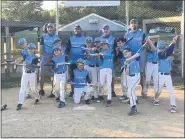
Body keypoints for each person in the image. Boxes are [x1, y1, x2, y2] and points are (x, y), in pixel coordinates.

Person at [154, 36, 178, 113]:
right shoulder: (159, 54)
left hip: (168, 76)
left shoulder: (168, 54)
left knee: (171, 91)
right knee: (159, 90)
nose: (161, 49)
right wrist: (172, 43)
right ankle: (156, 98)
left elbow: (169, 51)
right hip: (160, 75)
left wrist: (173, 42)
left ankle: (173, 105)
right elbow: (164, 53)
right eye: (160, 48)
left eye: (162, 48)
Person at [124, 19, 147, 98]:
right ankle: (130, 92)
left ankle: (143, 91)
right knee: (129, 73)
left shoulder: (142, 33)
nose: (133, 24)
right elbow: (125, 46)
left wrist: (144, 45)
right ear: (130, 24)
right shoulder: (127, 34)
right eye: (132, 23)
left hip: (139, 56)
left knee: (141, 73)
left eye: (135, 23)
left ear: (137, 24)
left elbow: (146, 43)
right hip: (130, 56)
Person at [16, 43, 40, 110]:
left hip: (32, 74)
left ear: (34, 49)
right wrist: (15, 62)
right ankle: (20, 103)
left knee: (33, 89)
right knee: (22, 88)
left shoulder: (35, 58)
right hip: (25, 74)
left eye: (32, 49)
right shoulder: (25, 55)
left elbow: (31, 67)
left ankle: (37, 97)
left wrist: (25, 65)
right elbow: (20, 58)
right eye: (29, 48)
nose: (30, 50)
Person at [39, 23, 60, 97]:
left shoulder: (57, 37)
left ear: (54, 28)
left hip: (54, 59)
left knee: (53, 76)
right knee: (42, 75)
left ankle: (52, 91)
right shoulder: (43, 37)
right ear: (46, 29)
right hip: (44, 59)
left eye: (51, 27)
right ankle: (41, 90)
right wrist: (46, 56)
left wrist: (52, 57)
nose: (50, 29)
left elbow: (58, 49)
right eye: (48, 27)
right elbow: (41, 50)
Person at [66, 25, 86, 97]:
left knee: (82, 76)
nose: (76, 30)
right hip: (73, 61)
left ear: (81, 30)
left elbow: (86, 50)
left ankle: (83, 90)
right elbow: (67, 50)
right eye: (75, 29)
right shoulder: (70, 39)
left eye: (78, 29)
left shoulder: (85, 39)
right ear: (74, 31)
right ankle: (72, 91)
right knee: (72, 76)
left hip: (82, 61)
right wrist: (68, 58)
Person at [99, 25, 117, 97]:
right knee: (101, 79)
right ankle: (101, 93)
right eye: (104, 29)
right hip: (102, 59)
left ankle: (112, 91)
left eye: (107, 29)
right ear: (102, 30)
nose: (105, 30)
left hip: (110, 59)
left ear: (109, 30)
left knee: (112, 76)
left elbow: (115, 50)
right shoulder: (99, 38)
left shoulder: (113, 38)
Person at [123, 48, 141, 116]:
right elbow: (127, 72)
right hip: (129, 77)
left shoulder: (135, 57)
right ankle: (133, 107)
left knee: (130, 91)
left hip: (136, 76)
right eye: (124, 53)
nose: (125, 53)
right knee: (130, 92)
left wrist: (130, 59)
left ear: (130, 52)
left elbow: (138, 54)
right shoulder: (125, 61)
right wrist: (127, 65)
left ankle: (133, 108)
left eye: (127, 52)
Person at [96, 39, 113, 107]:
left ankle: (109, 99)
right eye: (103, 45)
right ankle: (100, 95)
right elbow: (100, 62)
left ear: (108, 45)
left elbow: (110, 56)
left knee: (108, 84)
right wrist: (98, 57)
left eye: (105, 44)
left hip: (109, 69)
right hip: (102, 69)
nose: (104, 46)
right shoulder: (102, 51)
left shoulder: (112, 50)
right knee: (101, 83)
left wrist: (102, 55)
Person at [115, 37, 130, 103]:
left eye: (120, 43)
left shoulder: (126, 49)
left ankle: (128, 96)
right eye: (117, 43)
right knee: (122, 82)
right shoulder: (120, 48)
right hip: (122, 66)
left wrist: (119, 51)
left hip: (126, 66)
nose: (119, 44)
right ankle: (124, 94)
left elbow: (123, 56)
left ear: (124, 42)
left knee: (125, 82)